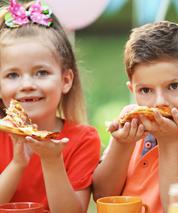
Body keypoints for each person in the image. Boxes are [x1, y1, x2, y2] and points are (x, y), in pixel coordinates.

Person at [93, 21, 178, 213]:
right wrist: (122, 145)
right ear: (133, 90)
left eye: (173, 86)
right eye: (145, 90)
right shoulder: (131, 122)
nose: (159, 102)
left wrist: (169, 142)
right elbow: (101, 195)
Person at [0, 0, 100, 212]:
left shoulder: (83, 140)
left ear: (66, 80)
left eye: (41, 73)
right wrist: (18, 164)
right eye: (13, 75)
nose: (27, 85)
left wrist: (52, 160)